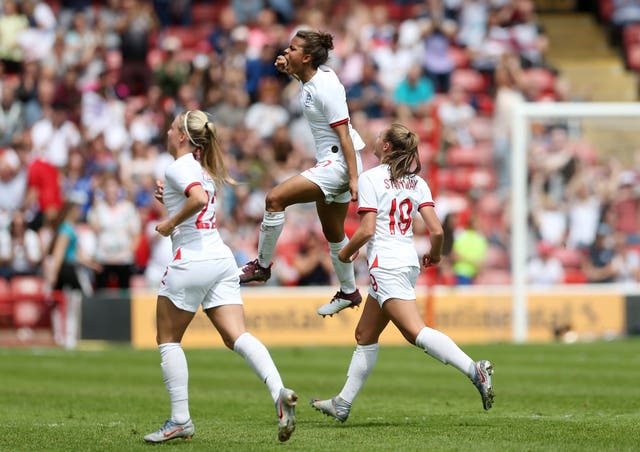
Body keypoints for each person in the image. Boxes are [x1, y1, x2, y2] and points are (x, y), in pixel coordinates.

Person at [310, 123, 494, 423]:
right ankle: (342, 402)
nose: (376, 135)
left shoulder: (371, 178)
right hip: (406, 262)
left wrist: (344, 253)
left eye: (380, 134)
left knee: (414, 331)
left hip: (386, 264)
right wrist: (434, 256)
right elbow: (436, 231)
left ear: (385, 147)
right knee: (365, 333)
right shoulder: (417, 183)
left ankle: (476, 370)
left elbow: (367, 229)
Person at [144, 109, 297, 444]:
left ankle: (180, 419)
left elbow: (195, 200)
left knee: (168, 339)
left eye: (172, 128)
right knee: (236, 336)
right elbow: (197, 197)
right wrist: (168, 200)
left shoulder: (179, 166)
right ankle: (278, 390)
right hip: (220, 256)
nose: (168, 132)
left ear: (183, 137)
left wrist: (169, 223)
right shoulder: (202, 169)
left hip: (192, 258)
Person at [238, 30, 366, 317]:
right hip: (335, 163)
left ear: (307, 57)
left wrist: (355, 179)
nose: (286, 51)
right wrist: (290, 71)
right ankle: (349, 291)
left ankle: (261, 266)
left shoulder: (325, 87)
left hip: (338, 164)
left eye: (293, 49)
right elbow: (306, 81)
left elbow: (344, 135)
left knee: (274, 200)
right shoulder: (312, 78)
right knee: (333, 234)